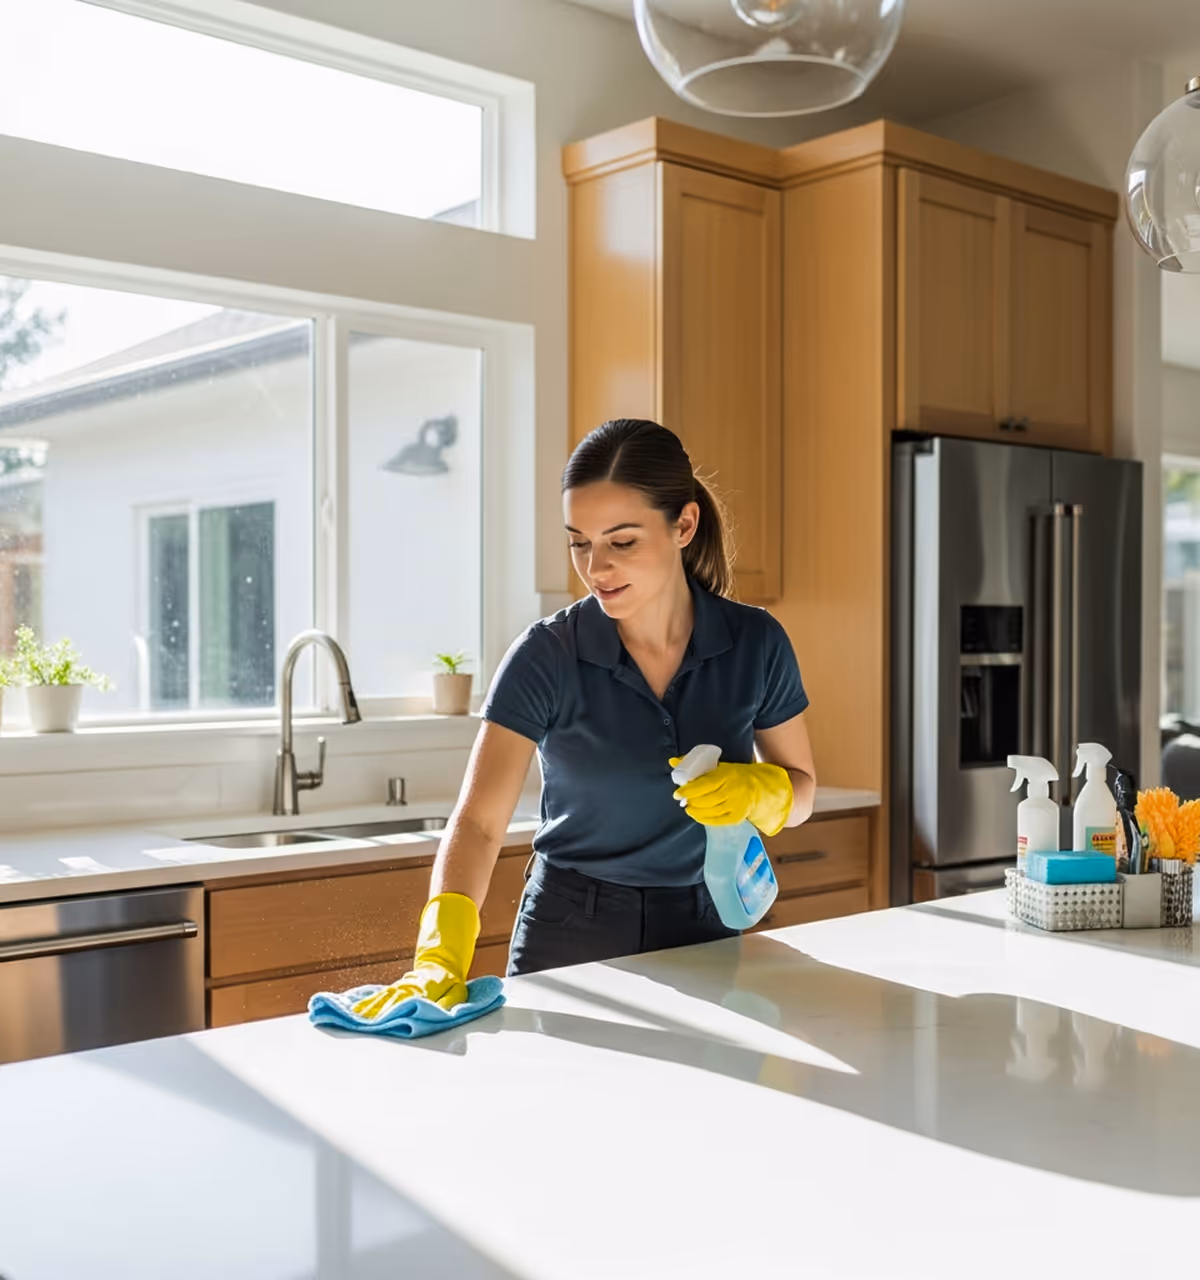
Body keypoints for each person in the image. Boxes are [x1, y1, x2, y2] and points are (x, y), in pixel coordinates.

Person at [354, 418, 815, 1018]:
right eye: (579, 542)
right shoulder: (548, 655)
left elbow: (803, 791)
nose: (595, 567)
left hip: (708, 920)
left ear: (684, 524)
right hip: (572, 930)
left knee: (701, 1108)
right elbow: (479, 825)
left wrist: (765, 789)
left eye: (621, 542)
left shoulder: (756, 641)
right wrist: (439, 956)